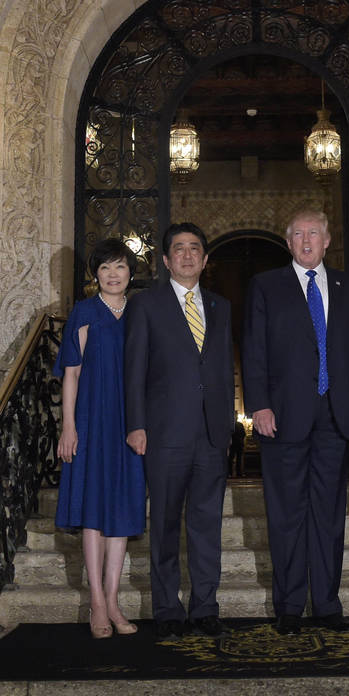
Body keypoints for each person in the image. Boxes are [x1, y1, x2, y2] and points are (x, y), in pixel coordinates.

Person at [242, 209, 349, 635]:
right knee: (286, 515)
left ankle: (327, 604)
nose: (307, 240)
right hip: (283, 417)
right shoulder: (266, 286)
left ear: (327, 240)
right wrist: (258, 405)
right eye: (298, 234)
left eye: (314, 233)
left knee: (329, 514)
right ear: (288, 241)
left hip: (337, 415)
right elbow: (253, 349)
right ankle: (290, 606)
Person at [124, 223, 235, 639]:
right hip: (164, 432)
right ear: (166, 261)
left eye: (194, 249)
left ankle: (205, 608)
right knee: (166, 525)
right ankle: (167, 610)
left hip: (211, 434)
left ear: (205, 260)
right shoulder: (145, 305)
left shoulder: (221, 306)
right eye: (179, 249)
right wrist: (136, 424)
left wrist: (227, 425)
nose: (187, 255)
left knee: (207, 526)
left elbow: (222, 367)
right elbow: (134, 370)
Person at [53, 238, 146, 639]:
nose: (112, 274)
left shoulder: (140, 313)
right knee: (93, 510)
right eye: (105, 267)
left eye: (120, 266)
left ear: (131, 273)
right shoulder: (85, 312)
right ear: (96, 274)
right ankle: (96, 601)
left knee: (121, 509)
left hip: (129, 423)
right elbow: (71, 373)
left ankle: (113, 599)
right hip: (91, 420)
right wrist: (68, 426)